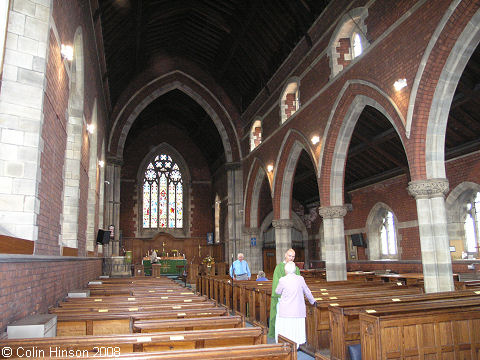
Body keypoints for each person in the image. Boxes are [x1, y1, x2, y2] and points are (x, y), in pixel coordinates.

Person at [275, 261, 316, 347]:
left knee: (287, 329)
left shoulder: (282, 280)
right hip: (298, 309)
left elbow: (277, 291)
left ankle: (287, 344)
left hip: (286, 310)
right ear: (294, 270)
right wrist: (313, 301)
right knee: (296, 329)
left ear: (286, 270)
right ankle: (297, 345)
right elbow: (307, 291)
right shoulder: (300, 279)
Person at [267, 248, 300, 338]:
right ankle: (280, 335)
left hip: (293, 299)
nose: (291, 258)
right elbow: (276, 283)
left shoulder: (296, 268)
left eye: (293, 256)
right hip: (282, 298)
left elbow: (298, 282)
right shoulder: (279, 267)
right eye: (289, 256)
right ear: (285, 255)